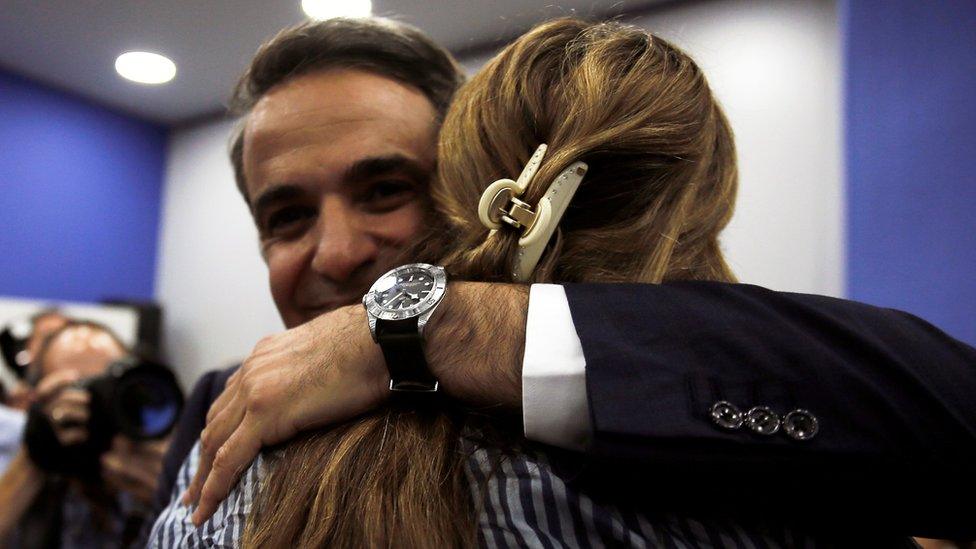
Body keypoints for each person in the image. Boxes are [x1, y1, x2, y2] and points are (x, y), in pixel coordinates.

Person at [159, 17, 975, 539]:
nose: (335, 252)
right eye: (287, 216)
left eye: (385, 189)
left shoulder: (660, 362)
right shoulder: (218, 411)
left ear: (493, 188)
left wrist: (424, 330)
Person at [0, 321, 168, 547]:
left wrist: (170, 497)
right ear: (36, 397)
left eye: (108, 384)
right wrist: (35, 454)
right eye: (81, 388)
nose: (95, 404)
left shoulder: (158, 448)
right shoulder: (15, 446)